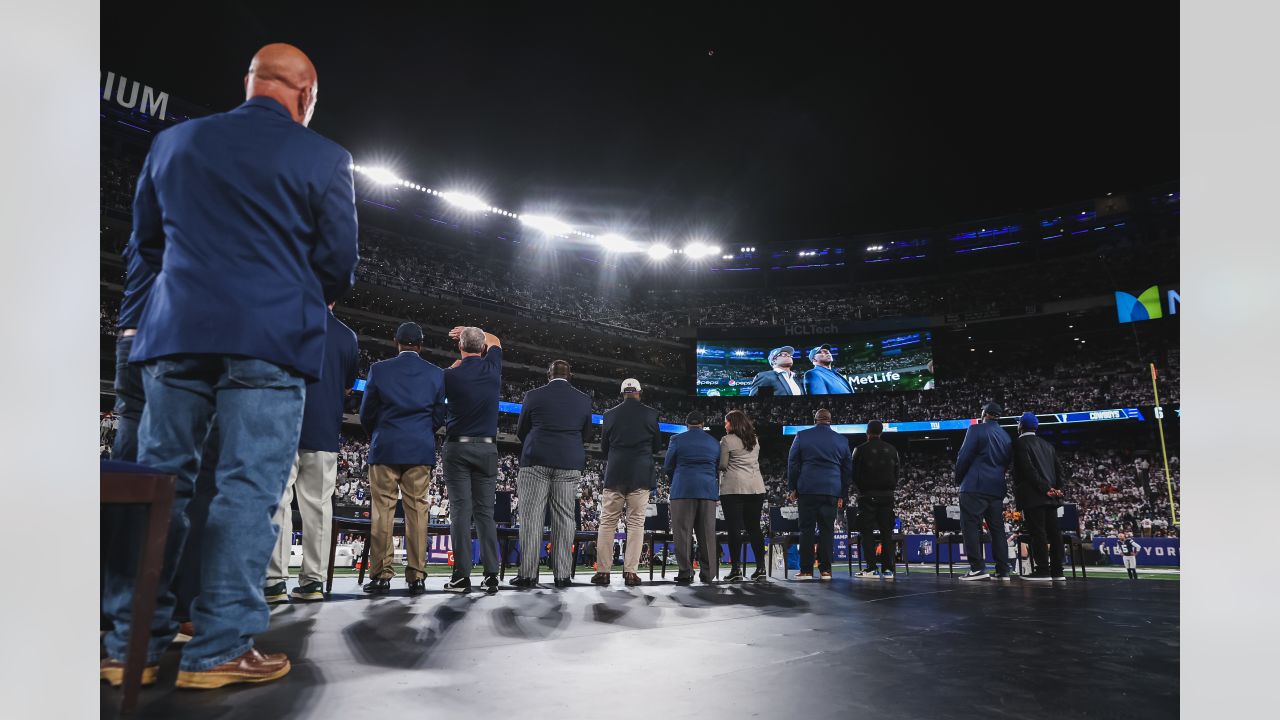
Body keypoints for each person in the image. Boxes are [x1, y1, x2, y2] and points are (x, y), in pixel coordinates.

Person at [102, 43, 359, 690]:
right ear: (307, 96)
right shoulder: (325, 157)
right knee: (246, 488)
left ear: (249, 83)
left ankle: (127, 642)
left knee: (161, 485)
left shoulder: (176, 143)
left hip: (176, 333)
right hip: (269, 339)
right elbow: (339, 265)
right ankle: (217, 647)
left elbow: (149, 242)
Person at [264, 302, 359, 603]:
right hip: (324, 431)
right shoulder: (347, 337)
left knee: (279, 503)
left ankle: (274, 582)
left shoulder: (283, 319)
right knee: (318, 507)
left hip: (284, 423)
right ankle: (313, 582)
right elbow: (348, 388)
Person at [358, 322, 446, 596]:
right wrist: (421, 432)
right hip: (419, 449)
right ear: (420, 344)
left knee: (382, 512)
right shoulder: (436, 374)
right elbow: (439, 417)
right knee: (418, 513)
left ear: (396, 342)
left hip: (385, 446)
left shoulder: (379, 370)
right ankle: (417, 577)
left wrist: (381, 432)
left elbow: (366, 413)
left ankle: (381, 576)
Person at [509, 360, 594, 589]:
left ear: (548, 374)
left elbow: (520, 431)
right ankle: (563, 575)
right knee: (565, 519)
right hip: (568, 462)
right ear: (571, 375)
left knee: (531, 518)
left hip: (536, 460)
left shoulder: (533, 396)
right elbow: (586, 434)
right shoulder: (584, 400)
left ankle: (528, 575)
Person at [442, 325, 504, 593]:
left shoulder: (449, 375)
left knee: (460, 513)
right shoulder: (493, 367)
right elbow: (496, 338)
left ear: (460, 346)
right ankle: (491, 575)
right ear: (483, 349)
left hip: (457, 447)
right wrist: (469, 329)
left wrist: (455, 365)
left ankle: (461, 577)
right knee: (485, 515)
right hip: (488, 449)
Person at [592, 378, 661, 586]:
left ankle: (603, 572)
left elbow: (604, 448)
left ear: (622, 393)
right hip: (640, 475)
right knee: (636, 524)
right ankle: (630, 572)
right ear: (640, 392)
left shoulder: (609, 414)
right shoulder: (651, 414)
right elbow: (657, 447)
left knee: (608, 523)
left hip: (615, 474)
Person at [787, 408, 852, 580]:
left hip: (807, 489)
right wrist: (842, 495)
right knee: (827, 530)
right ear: (830, 420)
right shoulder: (842, 440)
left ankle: (807, 570)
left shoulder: (802, 436)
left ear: (815, 419)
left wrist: (792, 487)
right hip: (831, 490)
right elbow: (847, 470)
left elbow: (792, 462)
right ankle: (825, 570)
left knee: (806, 529)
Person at [955, 402, 1014, 581]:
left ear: (985, 414)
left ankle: (977, 568)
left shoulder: (976, 429)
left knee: (970, 526)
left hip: (975, 485)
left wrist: (959, 479)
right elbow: (1005, 463)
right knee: (997, 529)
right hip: (996, 487)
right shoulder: (1006, 436)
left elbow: (964, 456)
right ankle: (1003, 570)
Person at [664, 411, 722, 585]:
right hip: (707, 491)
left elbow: (668, 465)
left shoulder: (676, 440)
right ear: (703, 424)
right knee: (707, 534)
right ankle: (708, 573)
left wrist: (677, 478)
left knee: (682, 533)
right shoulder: (714, 442)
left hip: (683, 489)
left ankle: (686, 572)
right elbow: (719, 466)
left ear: (686, 424)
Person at [1011, 412, 1068, 581]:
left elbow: (1028, 470)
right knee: (1054, 532)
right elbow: (1059, 471)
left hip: (1034, 496)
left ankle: (1043, 570)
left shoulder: (1019, 443)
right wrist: (1057, 489)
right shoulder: (1048, 445)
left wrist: (1045, 489)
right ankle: (1058, 571)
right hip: (1051, 496)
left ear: (1021, 426)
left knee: (1038, 532)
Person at [718, 410, 767, 582]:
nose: (725, 425)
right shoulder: (754, 439)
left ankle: (736, 569)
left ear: (733, 423)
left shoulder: (726, 440)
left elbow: (723, 465)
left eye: (727, 422)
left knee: (734, 529)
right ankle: (761, 568)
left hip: (734, 489)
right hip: (756, 487)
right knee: (754, 528)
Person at [852, 420, 900, 580]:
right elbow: (896, 473)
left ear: (867, 432)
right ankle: (888, 569)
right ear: (881, 432)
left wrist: (862, 490)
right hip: (887, 496)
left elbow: (854, 475)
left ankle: (871, 568)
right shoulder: (892, 449)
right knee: (887, 533)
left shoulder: (860, 449)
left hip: (867, 496)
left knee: (867, 532)